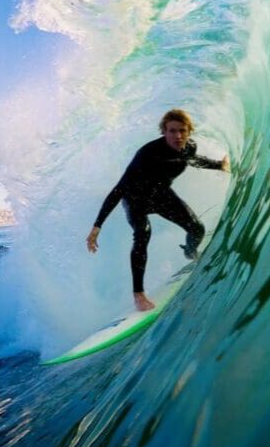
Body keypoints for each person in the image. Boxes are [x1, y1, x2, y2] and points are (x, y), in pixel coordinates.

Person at [86, 109, 230, 311]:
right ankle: (138, 295)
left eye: (182, 131)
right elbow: (119, 189)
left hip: (162, 196)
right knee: (143, 233)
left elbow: (191, 160)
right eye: (172, 131)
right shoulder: (147, 153)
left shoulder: (189, 147)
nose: (178, 136)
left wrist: (219, 165)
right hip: (136, 199)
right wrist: (97, 226)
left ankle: (190, 252)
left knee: (197, 228)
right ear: (164, 131)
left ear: (189, 131)